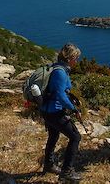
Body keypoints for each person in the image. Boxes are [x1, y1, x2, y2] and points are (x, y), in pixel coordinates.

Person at [41, 43, 83, 182]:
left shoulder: (57, 67)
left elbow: (59, 91)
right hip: (54, 111)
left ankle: (48, 164)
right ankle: (67, 171)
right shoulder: (60, 71)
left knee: (53, 136)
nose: (76, 61)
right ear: (69, 57)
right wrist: (73, 109)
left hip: (48, 110)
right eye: (75, 58)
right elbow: (60, 95)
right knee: (75, 137)